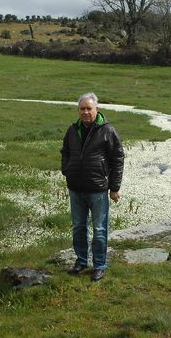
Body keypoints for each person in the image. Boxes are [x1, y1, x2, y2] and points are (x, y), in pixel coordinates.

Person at [61, 93, 124, 282]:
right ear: (78, 110)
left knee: (100, 229)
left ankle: (99, 266)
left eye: (89, 108)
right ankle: (81, 261)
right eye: (82, 109)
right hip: (76, 188)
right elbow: (65, 152)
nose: (86, 112)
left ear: (96, 109)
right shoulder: (72, 130)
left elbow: (118, 159)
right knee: (79, 227)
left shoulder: (108, 131)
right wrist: (67, 170)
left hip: (97, 189)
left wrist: (114, 188)